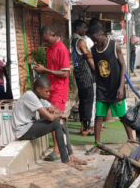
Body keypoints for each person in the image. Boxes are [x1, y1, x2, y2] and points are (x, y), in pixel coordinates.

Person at [11, 76, 76, 166]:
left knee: (60, 121)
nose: (49, 94)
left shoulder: (38, 98)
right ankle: (65, 160)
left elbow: (53, 108)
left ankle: (71, 155)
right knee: (56, 123)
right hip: (22, 131)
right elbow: (49, 117)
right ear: (38, 89)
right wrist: (59, 115)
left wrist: (56, 112)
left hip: (29, 126)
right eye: (46, 91)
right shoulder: (30, 96)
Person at [89, 22, 135, 146]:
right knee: (99, 116)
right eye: (93, 40)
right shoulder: (93, 49)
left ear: (100, 35)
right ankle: (97, 143)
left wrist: (121, 86)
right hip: (101, 88)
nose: (95, 42)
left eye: (95, 39)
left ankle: (131, 139)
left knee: (122, 116)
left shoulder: (115, 46)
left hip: (115, 87)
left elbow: (123, 65)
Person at [33, 26, 71, 159]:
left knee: (54, 119)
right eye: (44, 41)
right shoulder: (50, 49)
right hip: (50, 88)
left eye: (47, 40)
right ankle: (60, 148)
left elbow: (65, 73)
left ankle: (57, 150)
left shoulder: (61, 49)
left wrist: (46, 71)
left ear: (53, 35)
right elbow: (51, 69)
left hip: (59, 90)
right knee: (52, 118)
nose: (45, 43)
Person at [71, 19, 95, 136]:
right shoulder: (80, 41)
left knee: (82, 101)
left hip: (78, 74)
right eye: (83, 28)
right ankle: (86, 128)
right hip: (85, 75)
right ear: (77, 29)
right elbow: (89, 57)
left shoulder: (72, 40)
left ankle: (83, 126)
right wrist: (97, 70)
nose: (86, 30)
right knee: (88, 101)